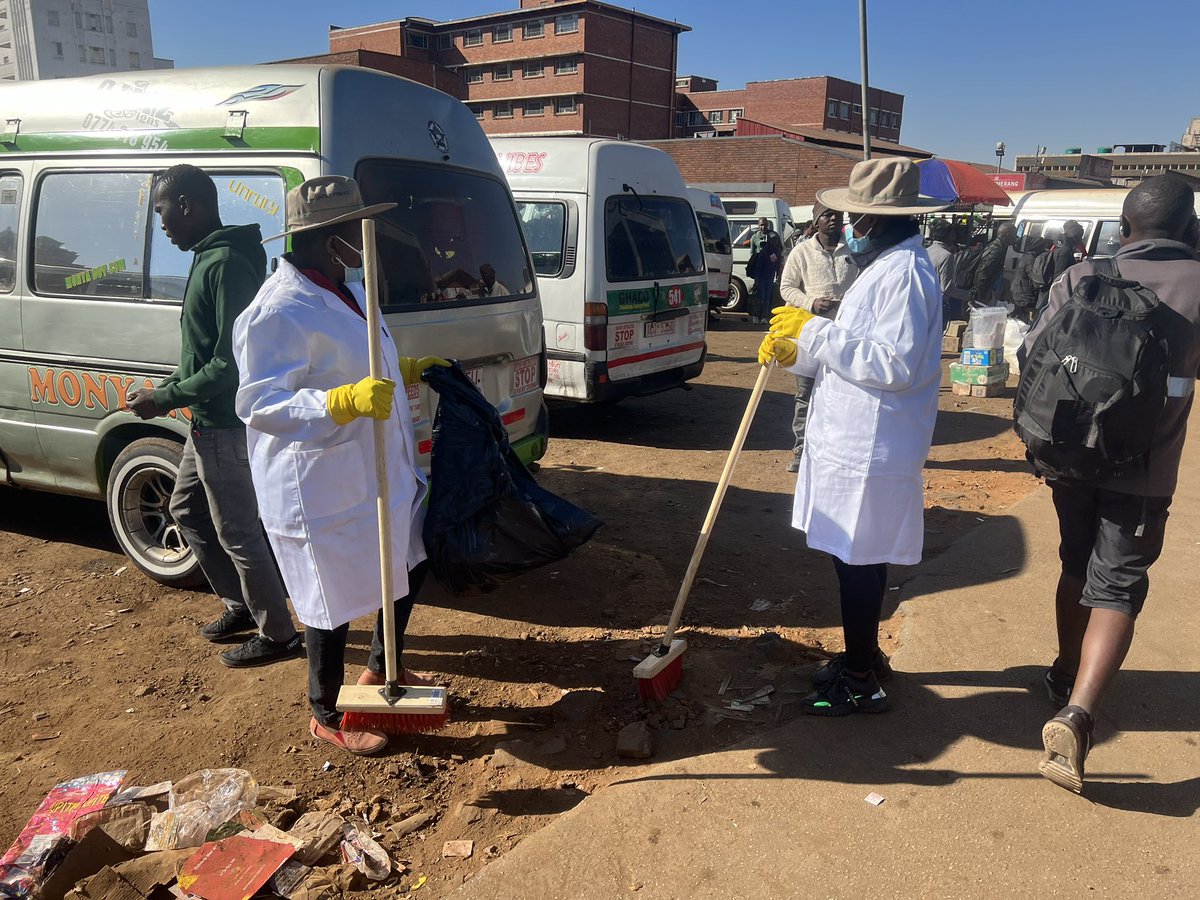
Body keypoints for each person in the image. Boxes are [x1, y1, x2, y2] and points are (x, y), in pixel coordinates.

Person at [233, 176, 450, 756]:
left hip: (376, 466)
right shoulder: (276, 311)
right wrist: (338, 402)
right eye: (356, 229)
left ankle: (381, 671)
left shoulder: (346, 287)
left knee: (408, 557)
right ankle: (324, 711)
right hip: (318, 480)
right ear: (331, 239)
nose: (365, 238)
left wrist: (399, 370)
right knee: (329, 596)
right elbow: (259, 403)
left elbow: (357, 355)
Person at [1024, 174, 1200, 792]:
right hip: (1146, 472)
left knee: (1076, 564)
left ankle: (1064, 670)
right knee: (1118, 585)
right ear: (1187, 228)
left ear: (1124, 227)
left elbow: (1034, 352)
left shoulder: (1081, 275)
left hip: (1071, 456)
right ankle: (1078, 714)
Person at [759, 158, 949, 716]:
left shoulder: (907, 275)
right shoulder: (884, 266)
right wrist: (803, 353)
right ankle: (864, 654)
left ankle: (862, 677)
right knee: (852, 555)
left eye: (852, 217)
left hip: (873, 445)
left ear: (873, 220)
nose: (844, 225)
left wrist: (812, 329)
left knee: (859, 561)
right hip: (852, 437)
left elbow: (893, 365)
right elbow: (854, 344)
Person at [127, 164, 301, 668]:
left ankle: (280, 633)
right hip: (205, 420)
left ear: (187, 205)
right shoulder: (209, 257)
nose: (160, 224)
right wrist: (172, 389)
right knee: (187, 510)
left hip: (224, 421)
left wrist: (165, 397)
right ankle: (242, 605)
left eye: (162, 212)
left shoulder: (224, 263)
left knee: (239, 530)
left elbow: (229, 362)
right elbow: (205, 352)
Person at [778, 202, 858, 472]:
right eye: (826, 215)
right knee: (806, 393)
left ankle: (837, 449)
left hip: (844, 335)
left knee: (842, 393)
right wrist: (811, 303)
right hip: (810, 334)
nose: (833, 219)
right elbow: (787, 288)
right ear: (816, 221)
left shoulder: (854, 250)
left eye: (836, 215)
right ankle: (801, 448)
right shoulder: (802, 252)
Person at [1036, 219, 1084, 309]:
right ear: (1075, 237)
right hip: (1053, 293)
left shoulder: (1058, 244)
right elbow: (1059, 275)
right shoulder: (1065, 251)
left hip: (1047, 288)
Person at [924, 219, 965, 326]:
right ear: (946, 235)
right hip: (939, 305)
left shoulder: (926, 251)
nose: (954, 237)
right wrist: (967, 295)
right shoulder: (946, 255)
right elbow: (946, 288)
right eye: (952, 234)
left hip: (924, 302)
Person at [747, 217, 783, 324]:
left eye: (765, 225)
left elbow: (780, 251)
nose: (763, 227)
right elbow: (752, 254)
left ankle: (764, 317)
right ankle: (756, 315)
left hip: (769, 273)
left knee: (767, 297)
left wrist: (778, 274)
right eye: (761, 225)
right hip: (760, 271)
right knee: (759, 296)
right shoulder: (755, 238)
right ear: (758, 225)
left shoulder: (773, 236)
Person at [971, 222, 1016, 306]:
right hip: (985, 294)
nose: (1016, 237)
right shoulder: (996, 250)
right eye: (1015, 234)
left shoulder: (1000, 247)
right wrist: (982, 297)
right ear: (1007, 234)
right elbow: (981, 273)